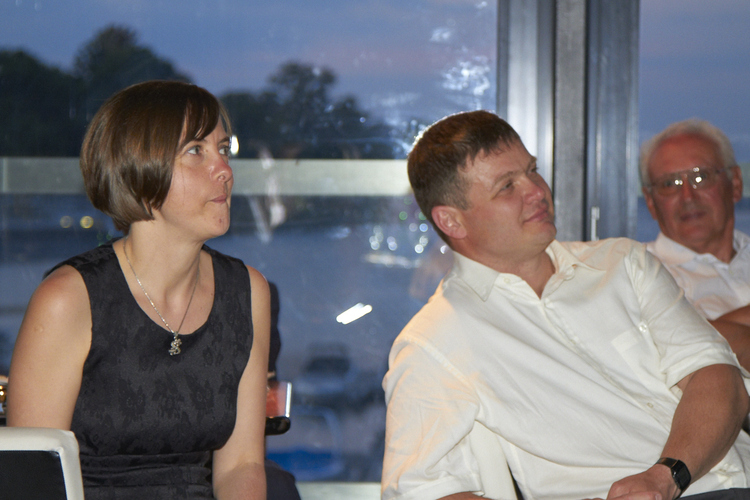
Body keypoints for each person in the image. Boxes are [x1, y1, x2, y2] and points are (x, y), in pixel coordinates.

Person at [381, 110, 750, 500]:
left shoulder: (622, 262)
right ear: (452, 222)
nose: (537, 190)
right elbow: (420, 491)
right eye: (507, 186)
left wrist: (665, 476)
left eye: (533, 170)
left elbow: (717, 375)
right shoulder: (434, 341)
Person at [7, 80, 270, 499]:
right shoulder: (69, 299)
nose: (225, 169)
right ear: (138, 168)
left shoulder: (247, 292)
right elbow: (33, 481)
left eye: (223, 149)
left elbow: (243, 466)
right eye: (196, 151)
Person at [641, 119, 750, 369]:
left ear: (735, 184)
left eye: (701, 177)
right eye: (669, 184)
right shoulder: (640, 274)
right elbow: (670, 356)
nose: (687, 196)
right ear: (650, 202)